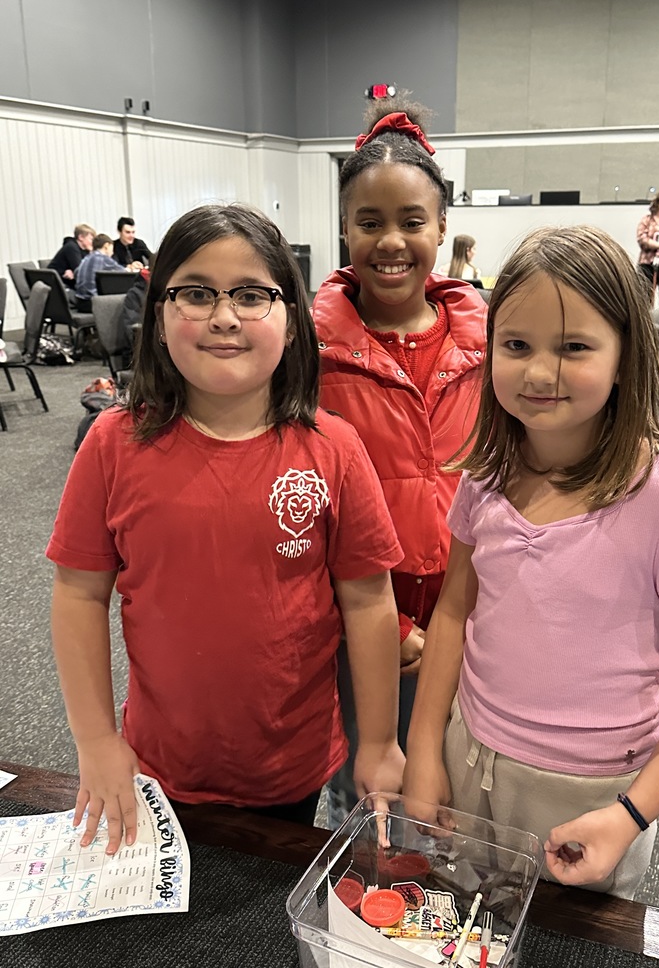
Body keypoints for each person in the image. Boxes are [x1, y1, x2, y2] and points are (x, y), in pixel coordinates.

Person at [403, 225, 659, 900]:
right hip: (468, 753)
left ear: (624, 355)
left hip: (592, 792)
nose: (540, 372)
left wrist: (630, 815)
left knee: (571, 939)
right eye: (516, 346)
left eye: (573, 347)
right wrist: (423, 748)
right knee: (461, 925)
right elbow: (453, 612)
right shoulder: (486, 474)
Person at [47, 202, 405, 854]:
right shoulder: (112, 444)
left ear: (291, 322)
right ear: (159, 318)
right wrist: (94, 740)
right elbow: (78, 595)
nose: (223, 316)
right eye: (195, 293)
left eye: (250, 294)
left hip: (292, 761)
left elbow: (368, 601)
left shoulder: (334, 448)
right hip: (159, 759)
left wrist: (379, 742)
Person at [312, 98, 488, 825]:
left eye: (412, 222)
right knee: (370, 797)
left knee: (459, 791)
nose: (391, 241)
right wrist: (382, 626)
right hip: (359, 623)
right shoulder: (307, 353)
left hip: (471, 616)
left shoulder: (492, 345)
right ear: (345, 228)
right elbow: (296, 506)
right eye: (369, 222)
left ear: (442, 228)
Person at [73, 233, 143, 313]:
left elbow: (76, 273)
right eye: (112, 250)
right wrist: (132, 268)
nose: (112, 253)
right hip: (92, 303)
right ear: (106, 246)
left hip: (79, 302)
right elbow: (123, 272)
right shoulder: (103, 258)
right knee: (130, 300)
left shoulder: (86, 258)